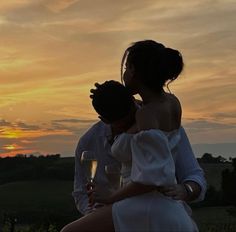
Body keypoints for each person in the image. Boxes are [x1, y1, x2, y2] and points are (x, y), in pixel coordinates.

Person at [62, 40, 205, 231]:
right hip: (146, 205)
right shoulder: (171, 103)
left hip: (144, 204)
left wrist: (111, 198)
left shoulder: (146, 116)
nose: (123, 73)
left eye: (126, 66)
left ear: (135, 72)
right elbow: (80, 192)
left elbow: (151, 177)